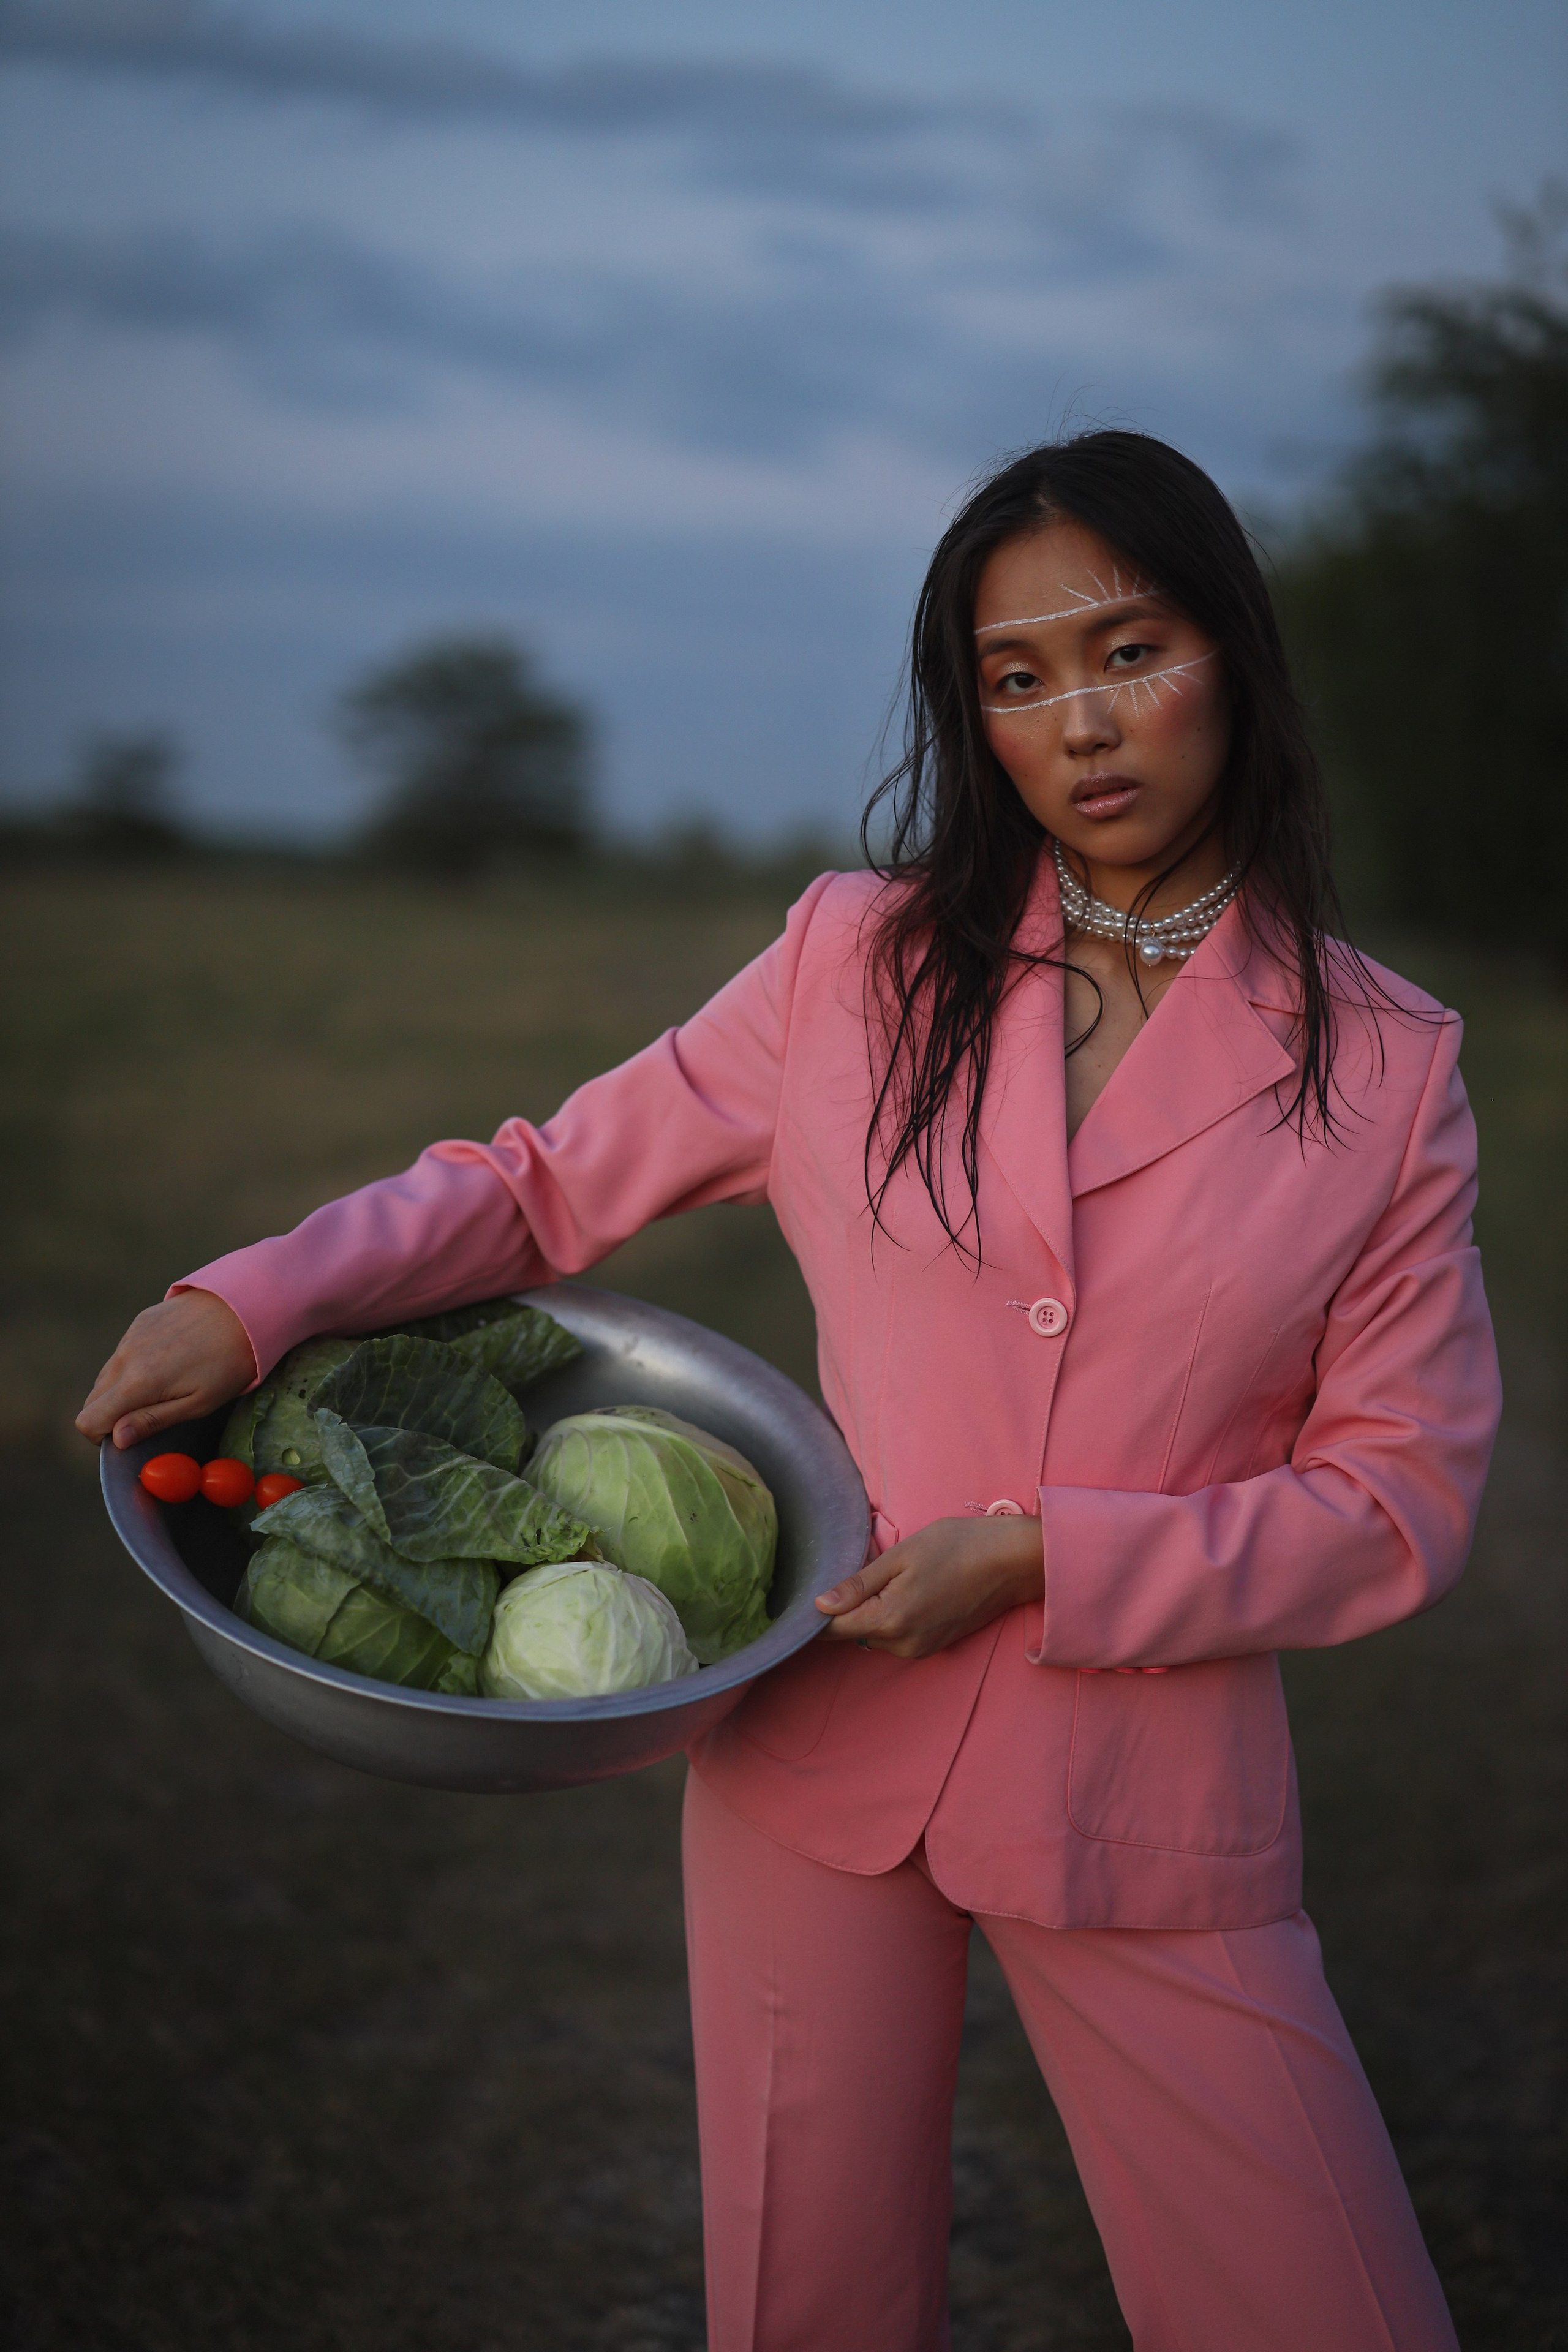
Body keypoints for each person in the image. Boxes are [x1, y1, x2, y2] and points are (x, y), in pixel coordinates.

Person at [78, 431, 1500, 2352]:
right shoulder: (861, 964)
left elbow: (1398, 1502)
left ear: (1235, 656)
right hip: (811, 1751)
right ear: (972, 714)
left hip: (1148, 1801)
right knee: (803, 2308)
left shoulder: (1391, 1073)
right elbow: (542, 1181)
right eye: (1017, 679)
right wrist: (252, 1301)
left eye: (1131, 651)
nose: (1080, 724)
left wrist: (1038, 1562)